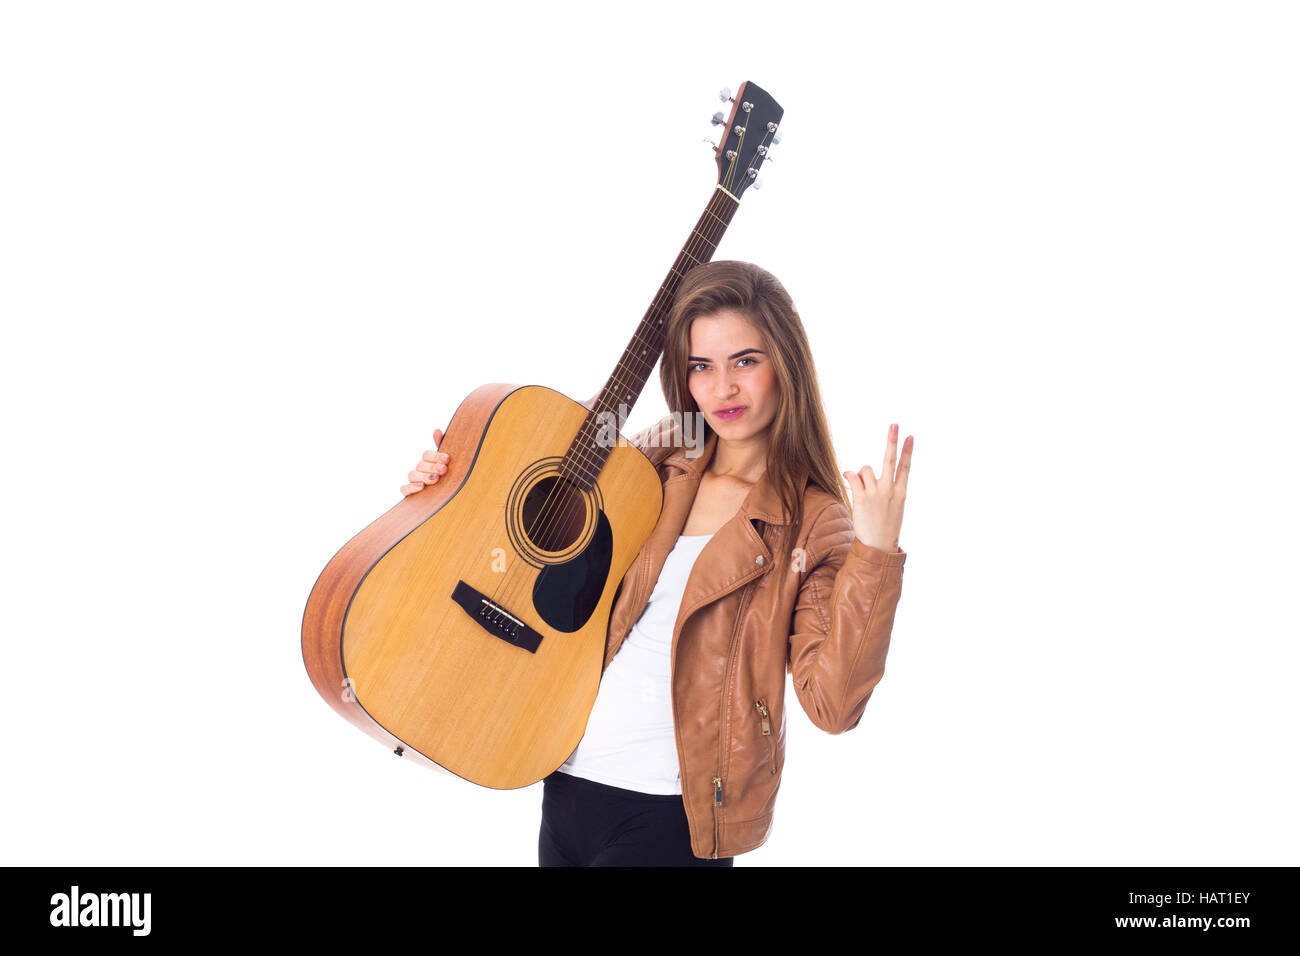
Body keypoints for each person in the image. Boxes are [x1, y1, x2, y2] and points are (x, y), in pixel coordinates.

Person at [400, 261, 913, 866]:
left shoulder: (814, 522)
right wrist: (451, 479)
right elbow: (549, 511)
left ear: (786, 365)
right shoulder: (665, 454)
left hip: (672, 814)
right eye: (702, 366)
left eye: (745, 361)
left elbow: (833, 704)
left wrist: (875, 554)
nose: (722, 388)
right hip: (565, 782)